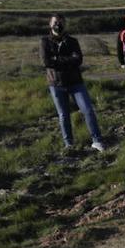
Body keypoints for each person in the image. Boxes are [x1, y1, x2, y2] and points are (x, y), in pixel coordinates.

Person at [40, 14, 105, 152]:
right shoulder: (45, 42)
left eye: (61, 22)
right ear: (50, 24)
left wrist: (58, 60)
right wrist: (68, 60)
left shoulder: (72, 41)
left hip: (75, 82)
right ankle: (69, 143)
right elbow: (47, 62)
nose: (59, 25)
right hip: (56, 84)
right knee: (64, 115)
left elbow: (78, 60)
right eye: (56, 22)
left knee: (88, 110)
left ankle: (97, 140)